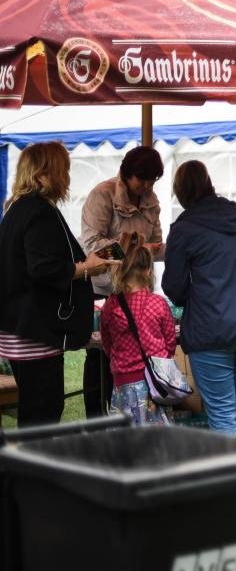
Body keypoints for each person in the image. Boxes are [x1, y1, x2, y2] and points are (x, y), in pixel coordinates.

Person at [0, 142, 113, 427]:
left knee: (37, 411)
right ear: (44, 173)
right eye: (64, 169)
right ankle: (33, 458)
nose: (67, 177)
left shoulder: (17, 208)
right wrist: (86, 268)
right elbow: (43, 268)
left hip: (20, 329)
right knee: (43, 414)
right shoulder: (39, 211)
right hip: (34, 334)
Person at [162, 160, 236, 438]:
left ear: (181, 193)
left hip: (212, 329)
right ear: (209, 184)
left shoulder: (183, 229)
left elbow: (174, 288)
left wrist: (198, 294)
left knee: (222, 411)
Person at [80, 145, 165, 418]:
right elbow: (91, 247)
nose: (147, 186)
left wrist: (154, 249)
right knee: (99, 357)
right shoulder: (102, 195)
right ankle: (96, 419)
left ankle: (130, 410)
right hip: (103, 289)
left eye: (152, 181)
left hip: (137, 288)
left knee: (133, 354)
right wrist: (129, 248)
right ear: (126, 174)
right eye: (142, 180)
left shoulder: (151, 200)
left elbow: (156, 242)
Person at [99, 233, 176, 426]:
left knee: (126, 437)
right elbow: (170, 343)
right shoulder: (158, 304)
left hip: (122, 383)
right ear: (149, 270)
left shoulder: (110, 306)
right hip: (155, 383)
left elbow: (107, 343)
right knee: (156, 437)